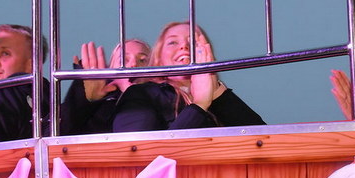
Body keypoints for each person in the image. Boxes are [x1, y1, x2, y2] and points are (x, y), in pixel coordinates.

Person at [113, 21, 265, 132]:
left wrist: (217, 91)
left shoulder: (220, 98)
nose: (184, 46)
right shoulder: (142, 94)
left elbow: (263, 140)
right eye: (173, 42)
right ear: (159, 58)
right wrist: (199, 105)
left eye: (193, 41)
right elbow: (138, 152)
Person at [60, 38, 151, 135]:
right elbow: (57, 132)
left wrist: (134, 94)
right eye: (123, 60)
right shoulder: (99, 105)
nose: (133, 64)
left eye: (142, 60)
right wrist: (84, 99)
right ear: (111, 68)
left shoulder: (160, 99)